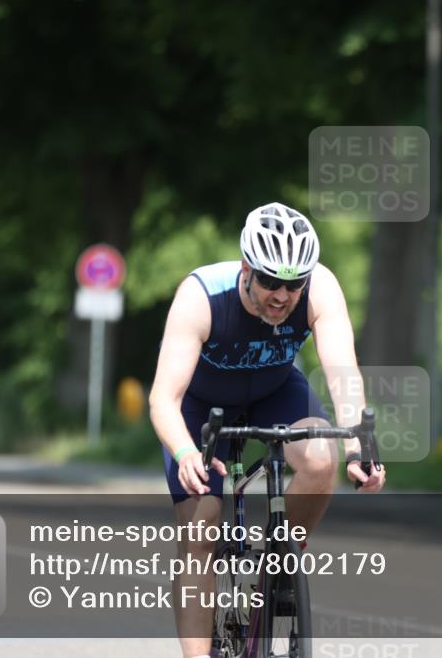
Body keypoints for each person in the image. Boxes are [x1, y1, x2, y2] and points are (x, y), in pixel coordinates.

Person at [149, 202, 386, 658]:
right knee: (202, 526)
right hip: (202, 405)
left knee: (321, 460)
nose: (282, 295)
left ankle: (276, 572)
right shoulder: (202, 297)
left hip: (275, 389)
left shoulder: (322, 288)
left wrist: (360, 447)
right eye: (270, 283)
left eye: (293, 284)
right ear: (246, 268)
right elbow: (163, 398)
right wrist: (184, 453)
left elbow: (343, 374)